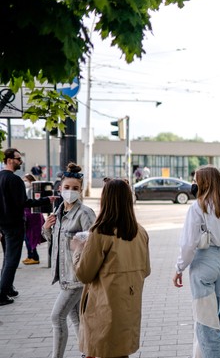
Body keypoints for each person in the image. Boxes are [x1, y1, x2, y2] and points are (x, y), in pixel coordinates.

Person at [74, 177, 150, 358]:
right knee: (121, 352)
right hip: (129, 307)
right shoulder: (140, 232)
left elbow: (84, 274)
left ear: (105, 199)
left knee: (100, 350)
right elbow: (146, 270)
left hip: (103, 307)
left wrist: (78, 250)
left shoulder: (100, 232)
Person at [173, 166, 220, 357]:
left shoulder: (198, 207)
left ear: (204, 183)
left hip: (203, 263)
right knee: (207, 318)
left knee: (207, 325)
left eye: (196, 180)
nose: (194, 184)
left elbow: (188, 244)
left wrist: (179, 267)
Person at [41, 163, 96, 358]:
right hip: (64, 275)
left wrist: (80, 245)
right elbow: (52, 241)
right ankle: (88, 353)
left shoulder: (85, 213)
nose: (70, 192)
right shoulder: (58, 212)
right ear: (60, 188)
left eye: (75, 188)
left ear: (81, 191)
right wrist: (47, 227)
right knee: (76, 318)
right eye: (67, 188)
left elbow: (95, 243)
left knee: (57, 317)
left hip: (77, 277)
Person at [0, 148, 54, 305]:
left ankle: (7, 288)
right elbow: (24, 203)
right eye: (18, 158)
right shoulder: (15, 180)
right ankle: (2, 294)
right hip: (14, 225)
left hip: (3, 225)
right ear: (9, 160)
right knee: (12, 259)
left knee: (7, 257)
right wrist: (46, 200)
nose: (20, 161)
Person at [22, 173, 45, 265]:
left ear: (30, 180)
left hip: (32, 216)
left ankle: (34, 257)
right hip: (29, 215)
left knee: (30, 237)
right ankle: (30, 255)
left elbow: (31, 203)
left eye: (26, 180)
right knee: (27, 237)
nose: (25, 182)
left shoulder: (33, 190)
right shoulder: (29, 189)